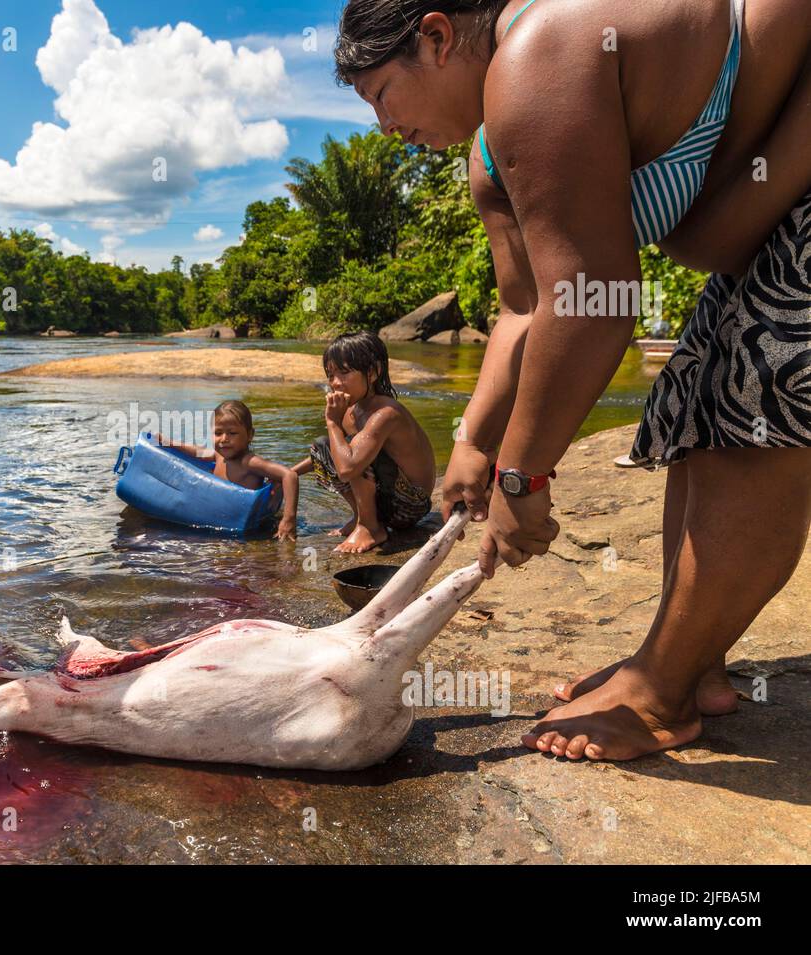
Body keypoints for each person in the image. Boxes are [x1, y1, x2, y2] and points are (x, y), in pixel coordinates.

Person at [334, 0, 811, 758]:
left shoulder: (537, 57)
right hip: (767, 220)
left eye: (382, 94)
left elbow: (592, 300)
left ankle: (663, 690)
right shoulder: (489, 152)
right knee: (692, 410)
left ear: (435, 37)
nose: (384, 127)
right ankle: (695, 661)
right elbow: (524, 307)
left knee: (753, 411)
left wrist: (523, 481)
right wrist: (474, 443)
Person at [292, 331, 437, 553]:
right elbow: (330, 453)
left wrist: (332, 422)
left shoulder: (386, 413)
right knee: (322, 445)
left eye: (344, 373)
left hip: (409, 506)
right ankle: (361, 515)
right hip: (386, 499)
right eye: (330, 375)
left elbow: (348, 468)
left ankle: (370, 526)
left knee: (351, 449)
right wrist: (288, 474)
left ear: (373, 372)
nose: (335, 383)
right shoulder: (352, 409)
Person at [159, 400, 300, 540]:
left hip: (246, 528)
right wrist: (170, 443)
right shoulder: (219, 455)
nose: (224, 439)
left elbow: (289, 475)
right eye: (218, 432)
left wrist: (288, 518)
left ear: (250, 435)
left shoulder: (249, 462)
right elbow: (198, 452)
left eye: (232, 433)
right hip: (221, 519)